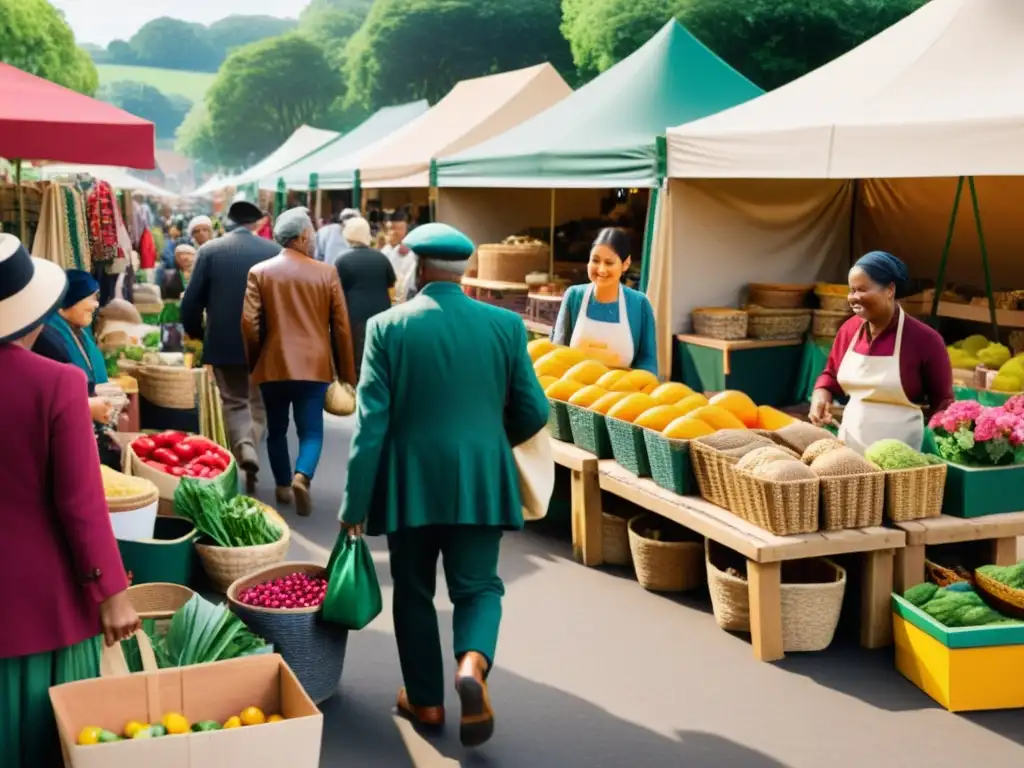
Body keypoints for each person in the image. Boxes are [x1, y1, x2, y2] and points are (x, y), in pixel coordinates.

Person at [339, 223, 549, 748]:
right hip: (481, 478)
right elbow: (535, 410)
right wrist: (488, 443)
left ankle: (426, 700)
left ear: (418, 269)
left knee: (412, 591)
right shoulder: (506, 326)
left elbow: (370, 426)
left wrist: (353, 504)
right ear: (464, 271)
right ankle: (472, 666)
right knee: (478, 587)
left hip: (408, 483)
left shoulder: (387, 327)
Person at [0, 234, 140, 768]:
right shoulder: (56, 383)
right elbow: (80, 502)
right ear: (32, 316)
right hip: (43, 600)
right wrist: (111, 592)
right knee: (41, 738)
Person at [242, 208, 356, 516]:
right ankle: (302, 476)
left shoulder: (260, 272)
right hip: (314, 366)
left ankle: (281, 485)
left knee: (276, 429)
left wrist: (256, 362)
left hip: (273, 365)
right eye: (312, 235)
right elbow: (342, 328)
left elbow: (249, 324)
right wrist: (347, 374)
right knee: (312, 431)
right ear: (302, 237)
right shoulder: (326, 273)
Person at [810, 251, 953, 453]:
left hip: (904, 455)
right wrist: (820, 397)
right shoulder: (849, 330)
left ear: (890, 290)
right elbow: (830, 376)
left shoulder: (925, 340)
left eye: (862, 289)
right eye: (851, 290)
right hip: (849, 452)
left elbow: (943, 403)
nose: (854, 298)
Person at [181, 200, 280, 491]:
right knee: (259, 402)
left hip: (224, 341)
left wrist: (197, 333)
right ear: (257, 223)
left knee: (234, 401)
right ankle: (251, 444)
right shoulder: (274, 252)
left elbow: (190, 302)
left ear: (228, 221)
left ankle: (244, 445)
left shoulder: (210, 251)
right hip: (265, 343)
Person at [551, 227, 658, 374]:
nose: (601, 269)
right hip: (573, 392)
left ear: (625, 264)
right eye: (595, 261)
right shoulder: (574, 296)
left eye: (609, 263)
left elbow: (648, 364)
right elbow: (557, 351)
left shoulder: (640, 304)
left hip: (622, 393)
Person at [33, 270, 113, 422]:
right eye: (90, 298)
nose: (96, 304)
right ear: (70, 299)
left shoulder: (80, 331)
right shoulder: (48, 339)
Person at [334, 216, 396, 371]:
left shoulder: (342, 260)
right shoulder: (381, 258)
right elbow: (391, 286)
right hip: (382, 316)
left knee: (355, 364)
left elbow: (336, 294)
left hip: (353, 319)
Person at [382, 215, 417, 301]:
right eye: (391, 228)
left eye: (400, 228)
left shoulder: (411, 252)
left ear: (405, 230)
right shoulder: (383, 252)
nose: (395, 232)